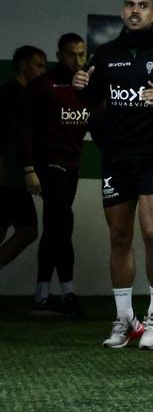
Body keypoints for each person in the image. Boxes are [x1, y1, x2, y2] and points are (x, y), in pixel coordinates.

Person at [74, 0, 153, 349]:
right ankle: (124, 319)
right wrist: (82, 87)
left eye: (143, 6)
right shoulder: (106, 55)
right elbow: (94, 100)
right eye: (129, 5)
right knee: (119, 236)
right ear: (122, 11)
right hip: (116, 156)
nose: (135, 11)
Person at [19, 34, 89, 316]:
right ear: (59, 55)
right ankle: (68, 293)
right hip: (48, 165)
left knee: (55, 226)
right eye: (71, 55)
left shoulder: (88, 88)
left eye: (82, 54)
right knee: (62, 222)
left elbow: (102, 127)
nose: (77, 60)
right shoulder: (43, 86)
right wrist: (28, 169)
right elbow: (24, 129)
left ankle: (42, 294)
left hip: (72, 166)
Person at [1, 46, 47, 288]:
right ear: (22, 65)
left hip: (13, 175)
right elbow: (10, 137)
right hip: (9, 176)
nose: (42, 70)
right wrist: (22, 172)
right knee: (28, 230)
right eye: (38, 65)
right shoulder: (14, 95)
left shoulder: (20, 93)